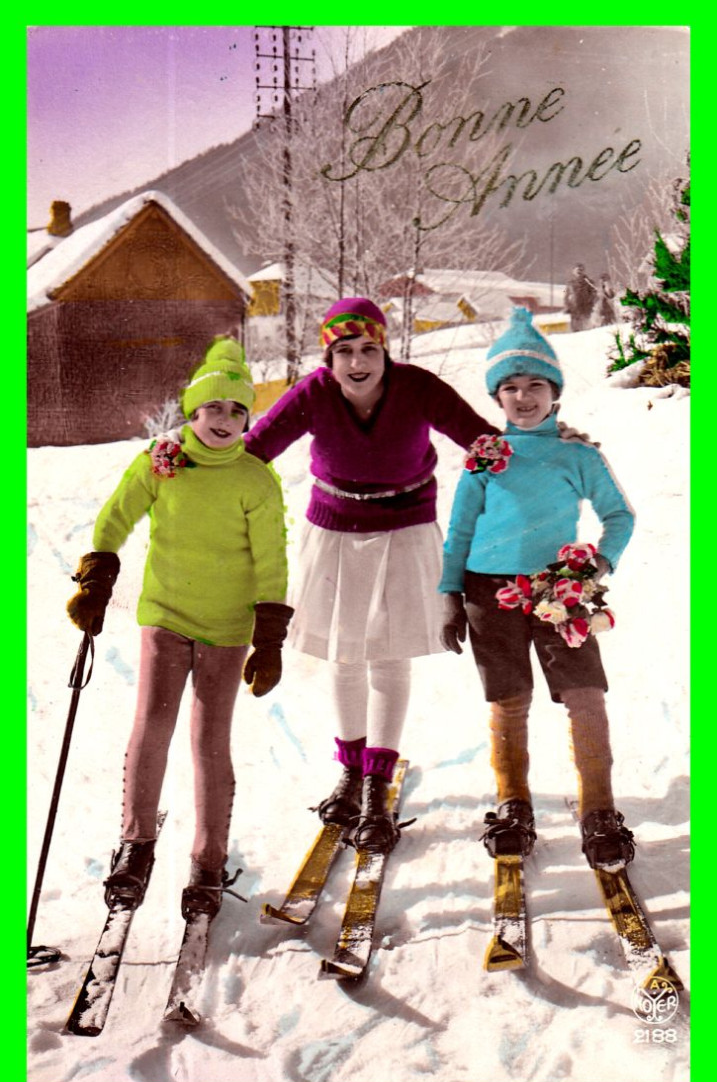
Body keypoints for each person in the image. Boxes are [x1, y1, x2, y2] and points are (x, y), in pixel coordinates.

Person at [243, 297, 500, 852]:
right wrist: (186, 462)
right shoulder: (313, 393)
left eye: (368, 349)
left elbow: (482, 441)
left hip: (405, 529)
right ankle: (351, 771)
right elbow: (254, 448)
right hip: (334, 532)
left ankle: (378, 786)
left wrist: (546, 450)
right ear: (328, 358)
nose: (357, 362)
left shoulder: (417, 386)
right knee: (344, 653)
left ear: (385, 349)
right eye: (344, 352)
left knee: (388, 654)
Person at [66, 338, 292, 919]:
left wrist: (268, 634)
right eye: (212, 408)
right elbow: (116, 514)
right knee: (153, 723)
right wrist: (98, 575)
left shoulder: (255, 478)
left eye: (236, 411)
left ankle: (209, 860)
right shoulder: (161, 462)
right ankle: (136, 847)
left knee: (208, 738)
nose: (223, 420)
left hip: (226, 624)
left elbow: (271, 559)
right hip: (166, 615)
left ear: (248, 419)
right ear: (192, 412)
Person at [439, 307, 636, 870]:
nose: (523, 398)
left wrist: (595, 566)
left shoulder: (578, 454)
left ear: (555, 393)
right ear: (496, 397)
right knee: (508, 699)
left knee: (584, 694)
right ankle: (513, 804)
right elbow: (459, 532)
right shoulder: (484, 462)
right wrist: (450, 596)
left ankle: (599, 810)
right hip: (487, 592)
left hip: (560, 592)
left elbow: (619, 516)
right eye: (511, 388)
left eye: (535, 386)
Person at [564, 263, 597, 332]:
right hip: (574, 310)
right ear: (573, 272)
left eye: (581, 270)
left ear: (584, 271)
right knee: (575, 331)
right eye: (577, 270)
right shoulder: (570, 283)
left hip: (586, 309)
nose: (579, 272)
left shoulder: (589, 282)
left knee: (586, 330)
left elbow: (594, 294)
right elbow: (566, 296)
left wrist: (590, 302)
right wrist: (567, 307)